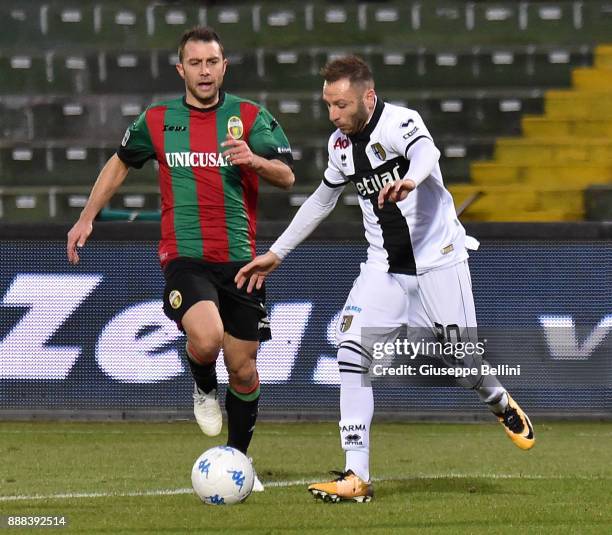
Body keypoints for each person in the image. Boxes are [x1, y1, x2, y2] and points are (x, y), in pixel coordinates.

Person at [235, 55, 535, 503]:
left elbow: (426, 153)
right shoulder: (340, 146)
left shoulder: (400, 122)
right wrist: (277, 253)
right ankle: (356, 475)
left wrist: (412, 180)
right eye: (328, 105)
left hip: (439, 261)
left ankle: (498, 401)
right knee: (351, 350)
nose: (333, 115)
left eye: (340, 105)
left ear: (368, 97)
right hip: (384, 268)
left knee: (464, 364)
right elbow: (321, 200)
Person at [66, 27, 295, 492]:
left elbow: (287, 176)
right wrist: (86, 217)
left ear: (224, 66)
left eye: (212, 62)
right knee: (206, 339)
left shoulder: (250, 116)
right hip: (184, 255)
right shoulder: (158, 120)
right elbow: (120, 162)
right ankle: (204, 386)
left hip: (241, 260)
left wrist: (253, 160)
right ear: (181, 69)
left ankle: (236, 461)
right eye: (195, 63)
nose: (205, 71)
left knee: (245, 368)